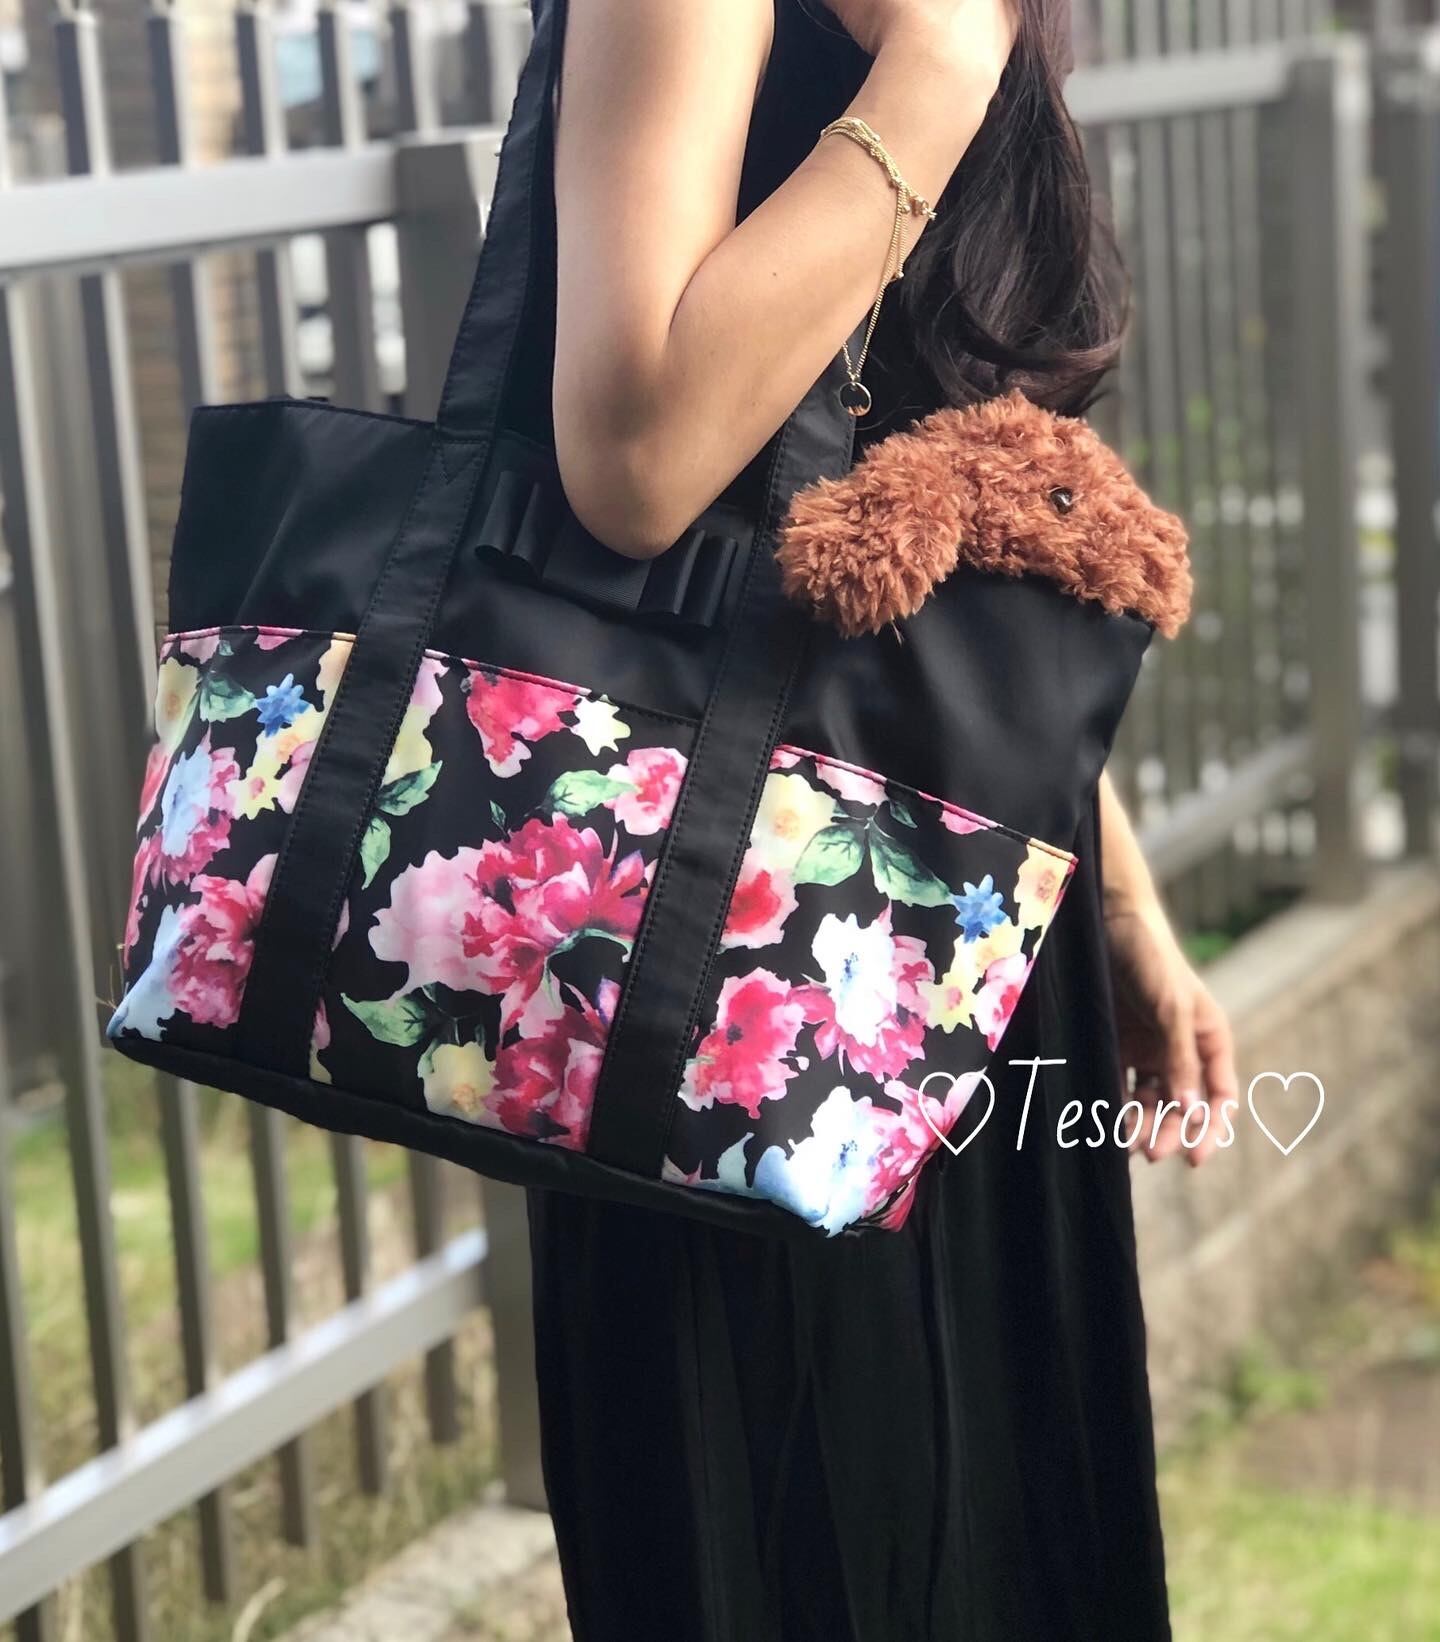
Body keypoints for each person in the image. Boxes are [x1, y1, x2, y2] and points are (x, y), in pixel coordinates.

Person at [525, 2, 1240, 1638]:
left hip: (962, 911)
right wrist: (939, 70)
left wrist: (1117, 900)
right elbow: (634, 459)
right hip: (738, 982)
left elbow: (915, 478)